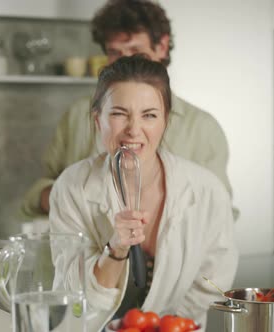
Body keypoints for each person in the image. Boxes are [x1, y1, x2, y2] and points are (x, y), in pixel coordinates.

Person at [49, 55, 238, 332]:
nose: (133, 130)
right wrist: (115, 250)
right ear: (97, 119)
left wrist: (164, 327)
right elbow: (77, 298)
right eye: (119, 114)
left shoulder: (207, 191)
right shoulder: (72, 187)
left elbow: (212, 282)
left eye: (149, 115)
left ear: (165, 122)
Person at [22, 0, 238, 221]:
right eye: (115, 52)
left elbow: (219, 211)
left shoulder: (202, 127)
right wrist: (68, 198)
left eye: (136, 51)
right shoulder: (78, 115)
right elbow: (39, 190)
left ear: (162, 47)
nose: (127, 61)